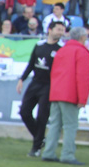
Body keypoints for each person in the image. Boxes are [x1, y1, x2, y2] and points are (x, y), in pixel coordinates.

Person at [42, 27, 89, 164]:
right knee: (70, 126)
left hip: (57, 92)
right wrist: (82, 98)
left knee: (54, 125)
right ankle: (67, 155)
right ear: (82, 38)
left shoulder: (61, 50)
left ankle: (48, 152)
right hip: (70, 93)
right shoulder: (82, 52)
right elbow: (82, 77)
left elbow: (54, 73)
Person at [17, 21, 65, 156]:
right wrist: (22, 79)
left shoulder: (61, 48)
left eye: (62, 30)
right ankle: (40, 139)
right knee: (24, 112)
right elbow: (31, 64)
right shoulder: (39, 45)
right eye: (58, 29)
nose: (60, 32)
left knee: (42, 116)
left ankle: (36, 148)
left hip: (49, 85)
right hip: (35, 83)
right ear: (50, 30)